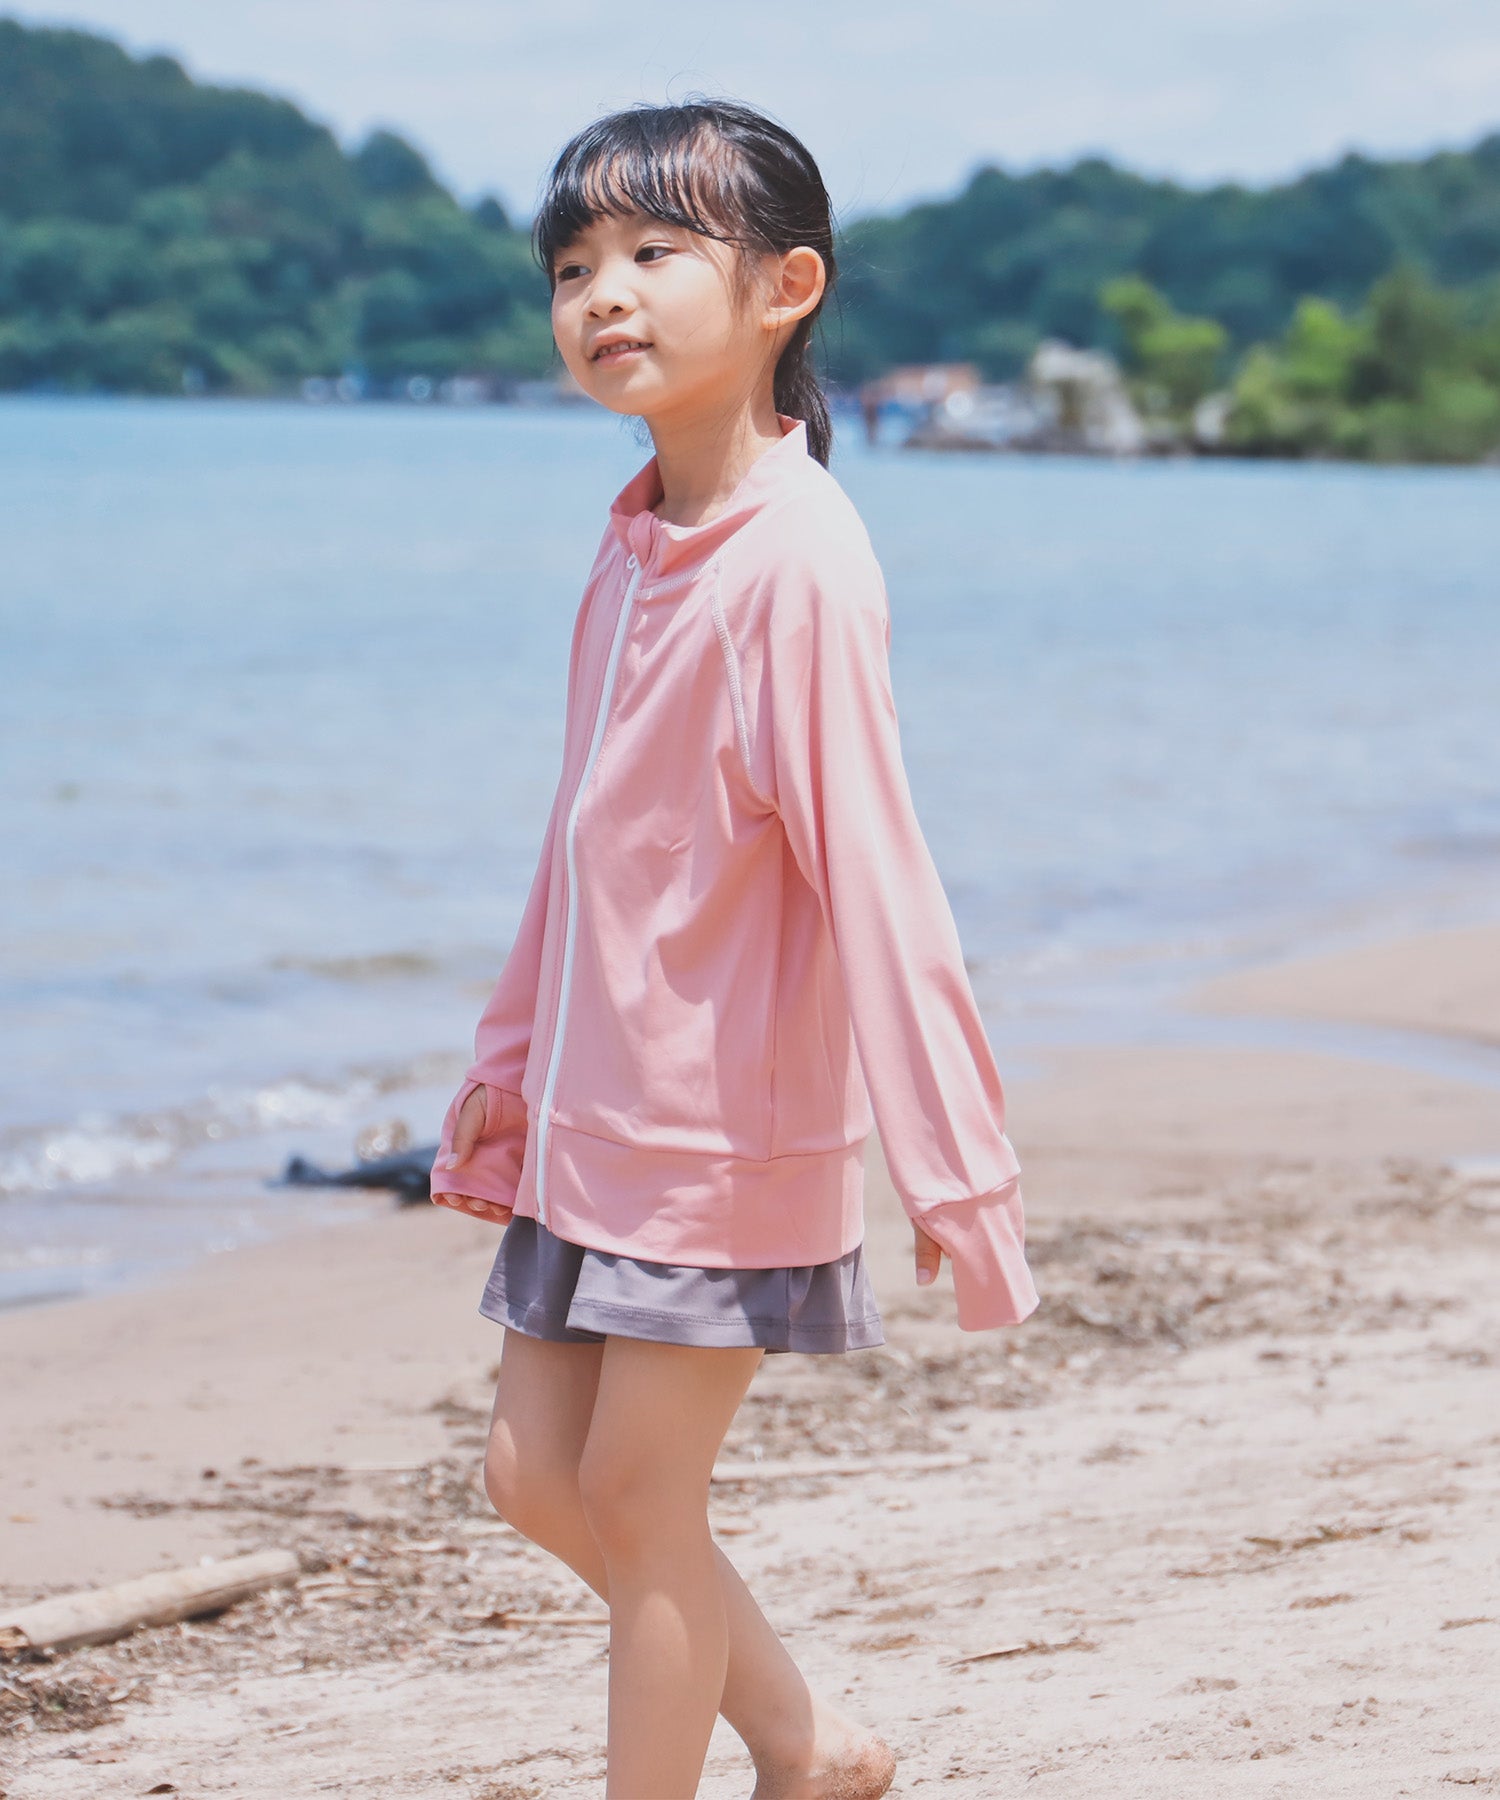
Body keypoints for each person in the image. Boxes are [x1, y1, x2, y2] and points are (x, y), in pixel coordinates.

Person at [429, 96, 1039, 1800]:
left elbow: (879, 880)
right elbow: (582, 844)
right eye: (572, 266)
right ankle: (808, 1743)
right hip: (593, 1121)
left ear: (785, 288)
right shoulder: (634, 541)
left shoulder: (801, 564)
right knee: (533, 1477)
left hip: (715, 1134)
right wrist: (505, 1072)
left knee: (638, 1501)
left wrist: (955, 1171)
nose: (602, 294)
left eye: (652, 252)